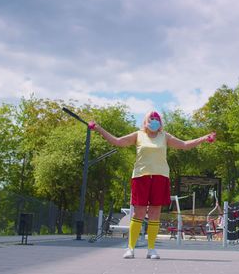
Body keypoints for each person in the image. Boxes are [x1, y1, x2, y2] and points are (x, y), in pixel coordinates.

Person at [90, 111, 215, 259]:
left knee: (155, 214)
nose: (154, 120)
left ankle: (151, 249)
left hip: (160, 177)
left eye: (157, 118)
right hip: (140, 176)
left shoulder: (165, 136)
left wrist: (204, 138)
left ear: (160, 122)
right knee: (138, 213)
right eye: (151, 118)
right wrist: (98, 128)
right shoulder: (138, 135)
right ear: (145, 121)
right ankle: (130, 248)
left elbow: (184, 145)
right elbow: (117, 141)